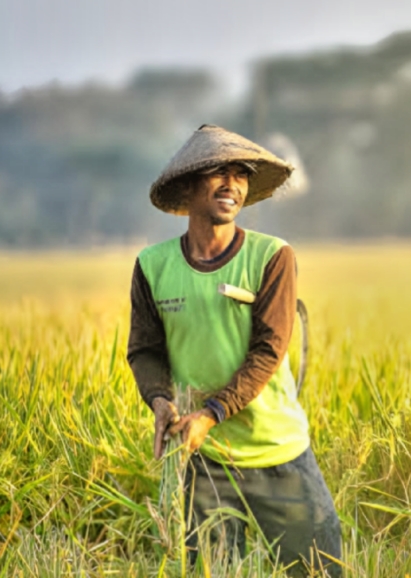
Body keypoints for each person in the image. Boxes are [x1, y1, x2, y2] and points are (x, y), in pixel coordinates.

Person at [126, 124, 342, 576]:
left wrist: (211, 413)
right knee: (210, 570)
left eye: (240, 174)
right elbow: (145, 350)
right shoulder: (153, 266)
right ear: (188, 186)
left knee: (320, 570)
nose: (232, 184)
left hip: (277, 451)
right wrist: (161, 401)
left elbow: (268, 351)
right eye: (217, 172)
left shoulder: (271, 256)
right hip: (203, 461)